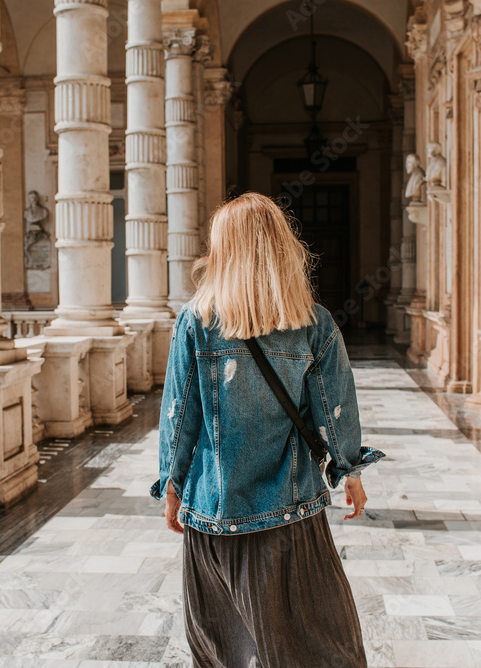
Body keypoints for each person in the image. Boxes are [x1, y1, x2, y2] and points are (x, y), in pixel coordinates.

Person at [150, 192, 384, 668]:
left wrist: (172, 485)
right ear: (283, 249)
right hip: (292, 509)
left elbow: (180, 417)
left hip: (215, 511)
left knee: (222, 652)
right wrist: (350, 473)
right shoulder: (313, 323)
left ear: (223, 251)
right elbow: (333, 410)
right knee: (317, 646)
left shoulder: (196, 321)